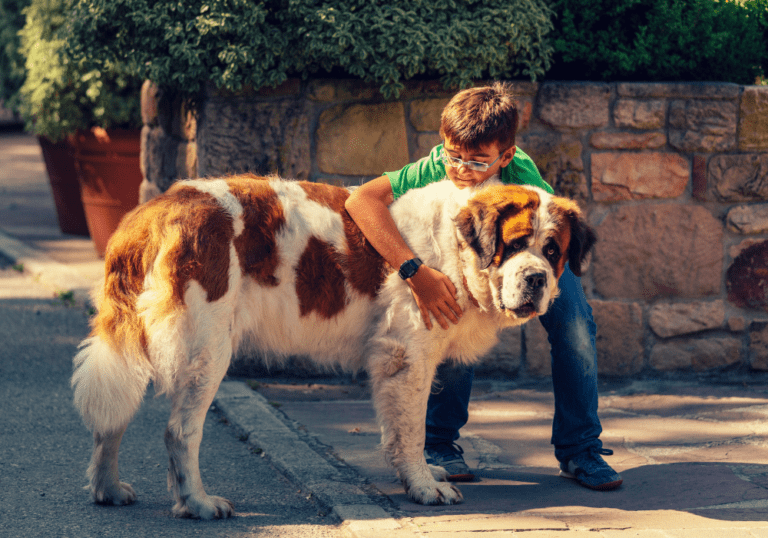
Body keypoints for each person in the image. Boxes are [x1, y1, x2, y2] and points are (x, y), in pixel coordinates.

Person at [345, 82, 622, 491]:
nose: (460, 169)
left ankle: (581, 449)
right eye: (453, 156)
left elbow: (550, 235)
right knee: (451, 315)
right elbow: (361, 201)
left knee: (576, 325)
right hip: (469, 266)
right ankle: (438, 443)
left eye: (477, 162)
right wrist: (414, 270)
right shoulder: (437, 163)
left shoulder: (522, 176)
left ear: (505, 156)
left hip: (534, 260)